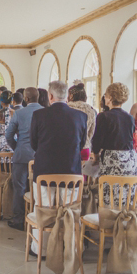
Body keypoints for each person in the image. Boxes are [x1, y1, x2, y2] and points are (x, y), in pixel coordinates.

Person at [29, 81, 87, 255]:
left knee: (44, 208)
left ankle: (42, 249)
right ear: (67, 96)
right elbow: (82, 143)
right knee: (70, 210)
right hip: (71, 171)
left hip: (45, 170)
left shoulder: (39, 115)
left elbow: (34, 143)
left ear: (50, 96)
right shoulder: (80, 116)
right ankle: (70, 247)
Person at [92, 82, 137, 206]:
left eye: (106, 95)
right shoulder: (129, 117)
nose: (105, 98)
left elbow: (98, 140)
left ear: (110, 98)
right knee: (127, 192)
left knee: (111, 194)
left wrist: (96, 155)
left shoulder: (104, 116)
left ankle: (110, 217)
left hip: (112, 158)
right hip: (130, 158)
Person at [4, 88, 43, 230]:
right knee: (40, 187)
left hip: (22, 155)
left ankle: (19, 219)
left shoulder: (19, 113)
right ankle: (38, 216)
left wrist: (17, 147)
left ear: (26, 99)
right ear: (38, 97)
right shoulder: (45, 111)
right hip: (40, 155)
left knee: (19, 187)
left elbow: (8, 135)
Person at [67, 83, 97, 162]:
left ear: (71, 96)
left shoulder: (67, 108)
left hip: (69, 146)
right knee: (83, 173)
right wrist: (86, 139)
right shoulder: (91, 110)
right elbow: (91, 131)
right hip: (85, 147)